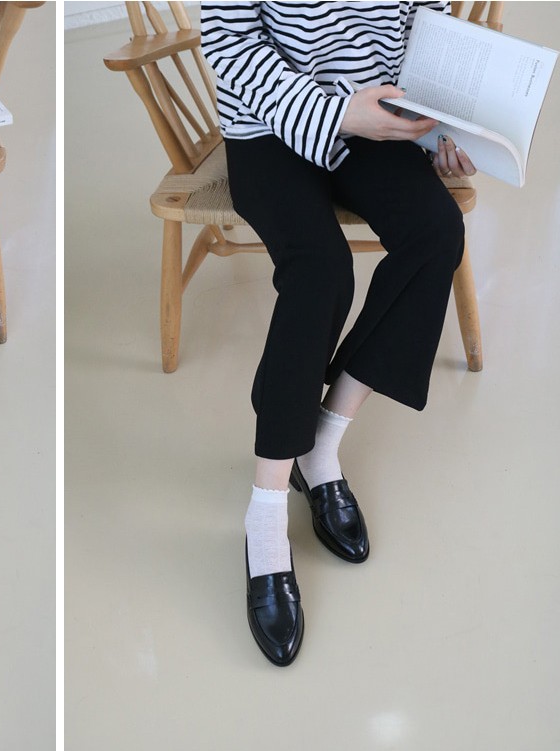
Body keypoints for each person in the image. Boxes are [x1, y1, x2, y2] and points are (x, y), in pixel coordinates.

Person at [200, 1, 477, 666]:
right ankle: (266, 508)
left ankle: (321, 444)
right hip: (269, 123)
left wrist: (446, 126)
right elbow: (229, 45)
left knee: (437, 232)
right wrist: (338, 113)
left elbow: (429, 23)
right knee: (321, 269)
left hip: (381, 119)